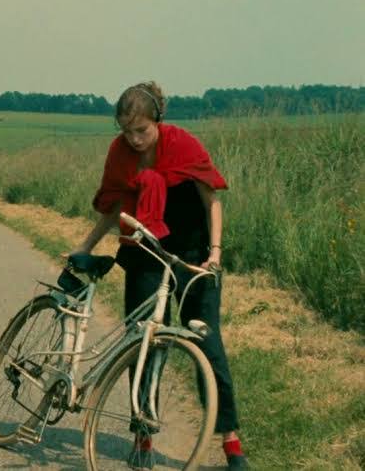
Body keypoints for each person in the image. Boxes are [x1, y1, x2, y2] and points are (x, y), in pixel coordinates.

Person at [71, 81, 249, 470]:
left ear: (158, 122)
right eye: (126, 131)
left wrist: (215, 255)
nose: (133, 139)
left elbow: (211, 200)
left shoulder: (183, 145)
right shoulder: (120, 154)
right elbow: (115, 205)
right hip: (145, 253)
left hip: (193, 255)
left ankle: (231, 443)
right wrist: (86, 246)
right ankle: (143, 436)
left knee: (208, 344)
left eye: (141, 130)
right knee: (145, 343)